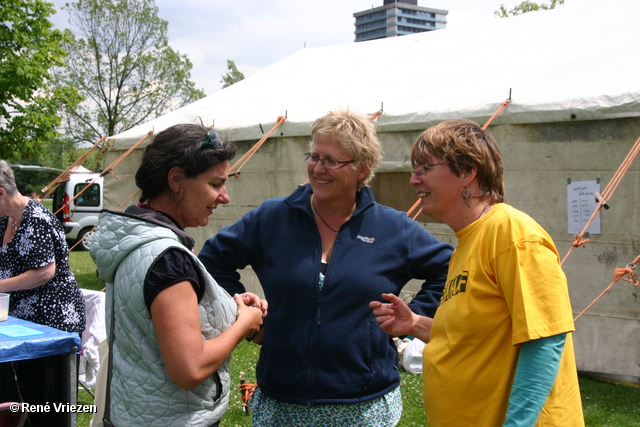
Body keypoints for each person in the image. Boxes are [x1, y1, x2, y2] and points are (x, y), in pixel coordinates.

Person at [198, 110, 453, 426]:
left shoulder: (393, 228)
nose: (318, 168)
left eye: (332, 161)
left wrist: (411, 319)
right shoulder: (273, 217)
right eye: (314, 156)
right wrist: (249, 320)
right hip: (282, 402)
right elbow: (211, 261)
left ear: (363, 168)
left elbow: (449, 268)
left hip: (365, 405)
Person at [370, 119, 585, 426]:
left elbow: (546, 339)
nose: (413, 180)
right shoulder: (466, 243)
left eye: (424, 169)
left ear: (468, 172)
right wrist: (415, 323)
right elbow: (477, 338)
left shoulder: (512, 233)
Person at [89, 124, 266, 426]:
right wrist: (245, 324)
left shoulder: (138, 241)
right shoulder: (167, 259)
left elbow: (152, 329)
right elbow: (189, 369)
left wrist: (227, 308)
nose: (224, 197)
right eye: (215, 183)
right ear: (176, 179)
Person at [0, 160, 85, 333]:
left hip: (51, 318)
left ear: (1, 193)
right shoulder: (5, 219)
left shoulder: (37, 219)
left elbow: (43, 273)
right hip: (19, 320)